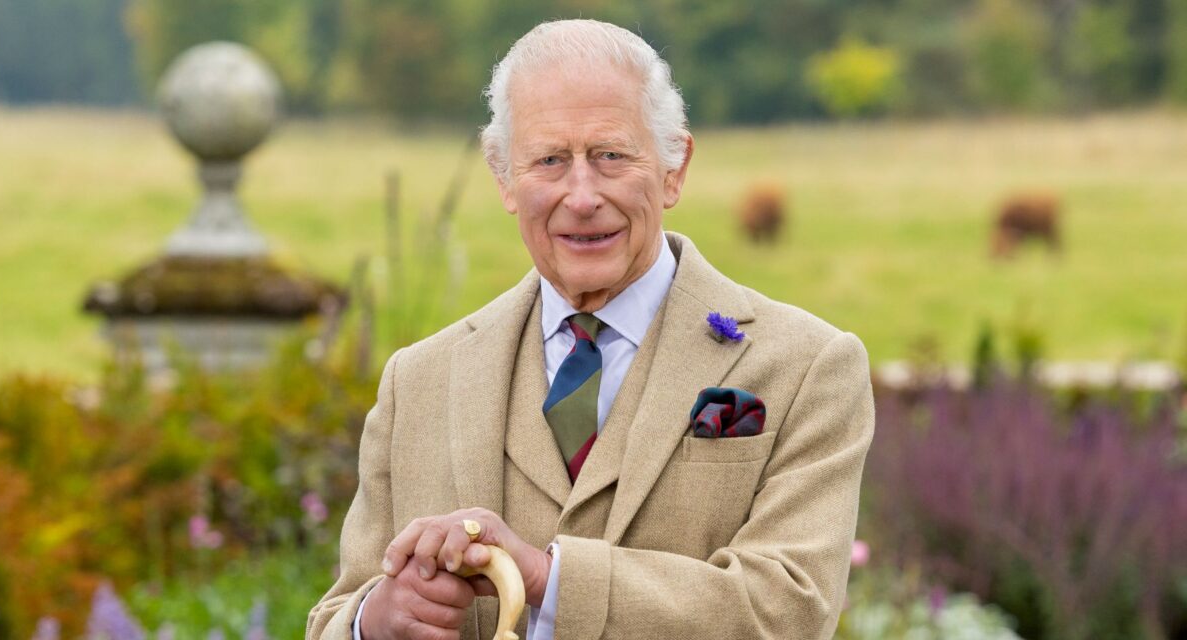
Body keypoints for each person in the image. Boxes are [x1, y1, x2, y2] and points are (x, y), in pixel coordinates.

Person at [308, 18, 873, 640]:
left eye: (610, 156)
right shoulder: (416, 381)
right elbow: (338, 613)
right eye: (549, 160)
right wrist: (373, 621)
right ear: (504, 179)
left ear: (674, 168)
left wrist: (547, 578)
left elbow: (790, 610)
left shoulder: (809, 367)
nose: (581, 196)